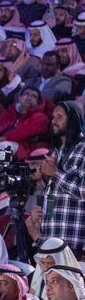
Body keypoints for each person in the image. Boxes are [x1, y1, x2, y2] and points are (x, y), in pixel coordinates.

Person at [38, 99, 85, 254]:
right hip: (51, 237)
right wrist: (45, 178)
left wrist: (55, 173)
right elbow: (55, 191)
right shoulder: (58, 151)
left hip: (74, 242)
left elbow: (83, 191)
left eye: (60, 117)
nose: (54, 121)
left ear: (73, 119)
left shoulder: (83, 149)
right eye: (53, 117)